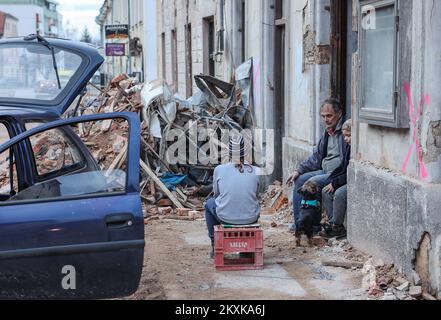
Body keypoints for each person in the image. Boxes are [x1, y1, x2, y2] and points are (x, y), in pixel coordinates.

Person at [287, 98, 347, 233]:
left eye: (329, 116)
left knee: (311, 182)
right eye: (323, 116)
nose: (326, 119)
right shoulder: (327, 132)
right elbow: (317, 156)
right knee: (299, 179)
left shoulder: (345, 132)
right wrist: (298, 170)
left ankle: (313, 226)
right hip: (324, 170)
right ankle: (300, 224)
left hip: (335, 174)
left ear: (339, 114)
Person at [204, 134, 260, 259]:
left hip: (225, 217)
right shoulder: (256, 170)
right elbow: (255, 195)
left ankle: (215, 244)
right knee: (252, 203)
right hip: (251, 218)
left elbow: (217, 194)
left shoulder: (219, 169)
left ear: (228, 153)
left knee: (209, 204)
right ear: (245, 153)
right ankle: (246, 250)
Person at [320, 119, 352, 239]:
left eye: (349, 135)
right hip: (344, 178)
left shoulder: (357, 148)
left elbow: (350, 173)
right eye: (344, 136)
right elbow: (342, 167)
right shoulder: (348, 147)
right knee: (325, 191)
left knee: (339, 193)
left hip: (352, 181)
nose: (345, 139)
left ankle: (337, 226)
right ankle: (334, 224)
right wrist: (332, 178)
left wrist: (336, 182)